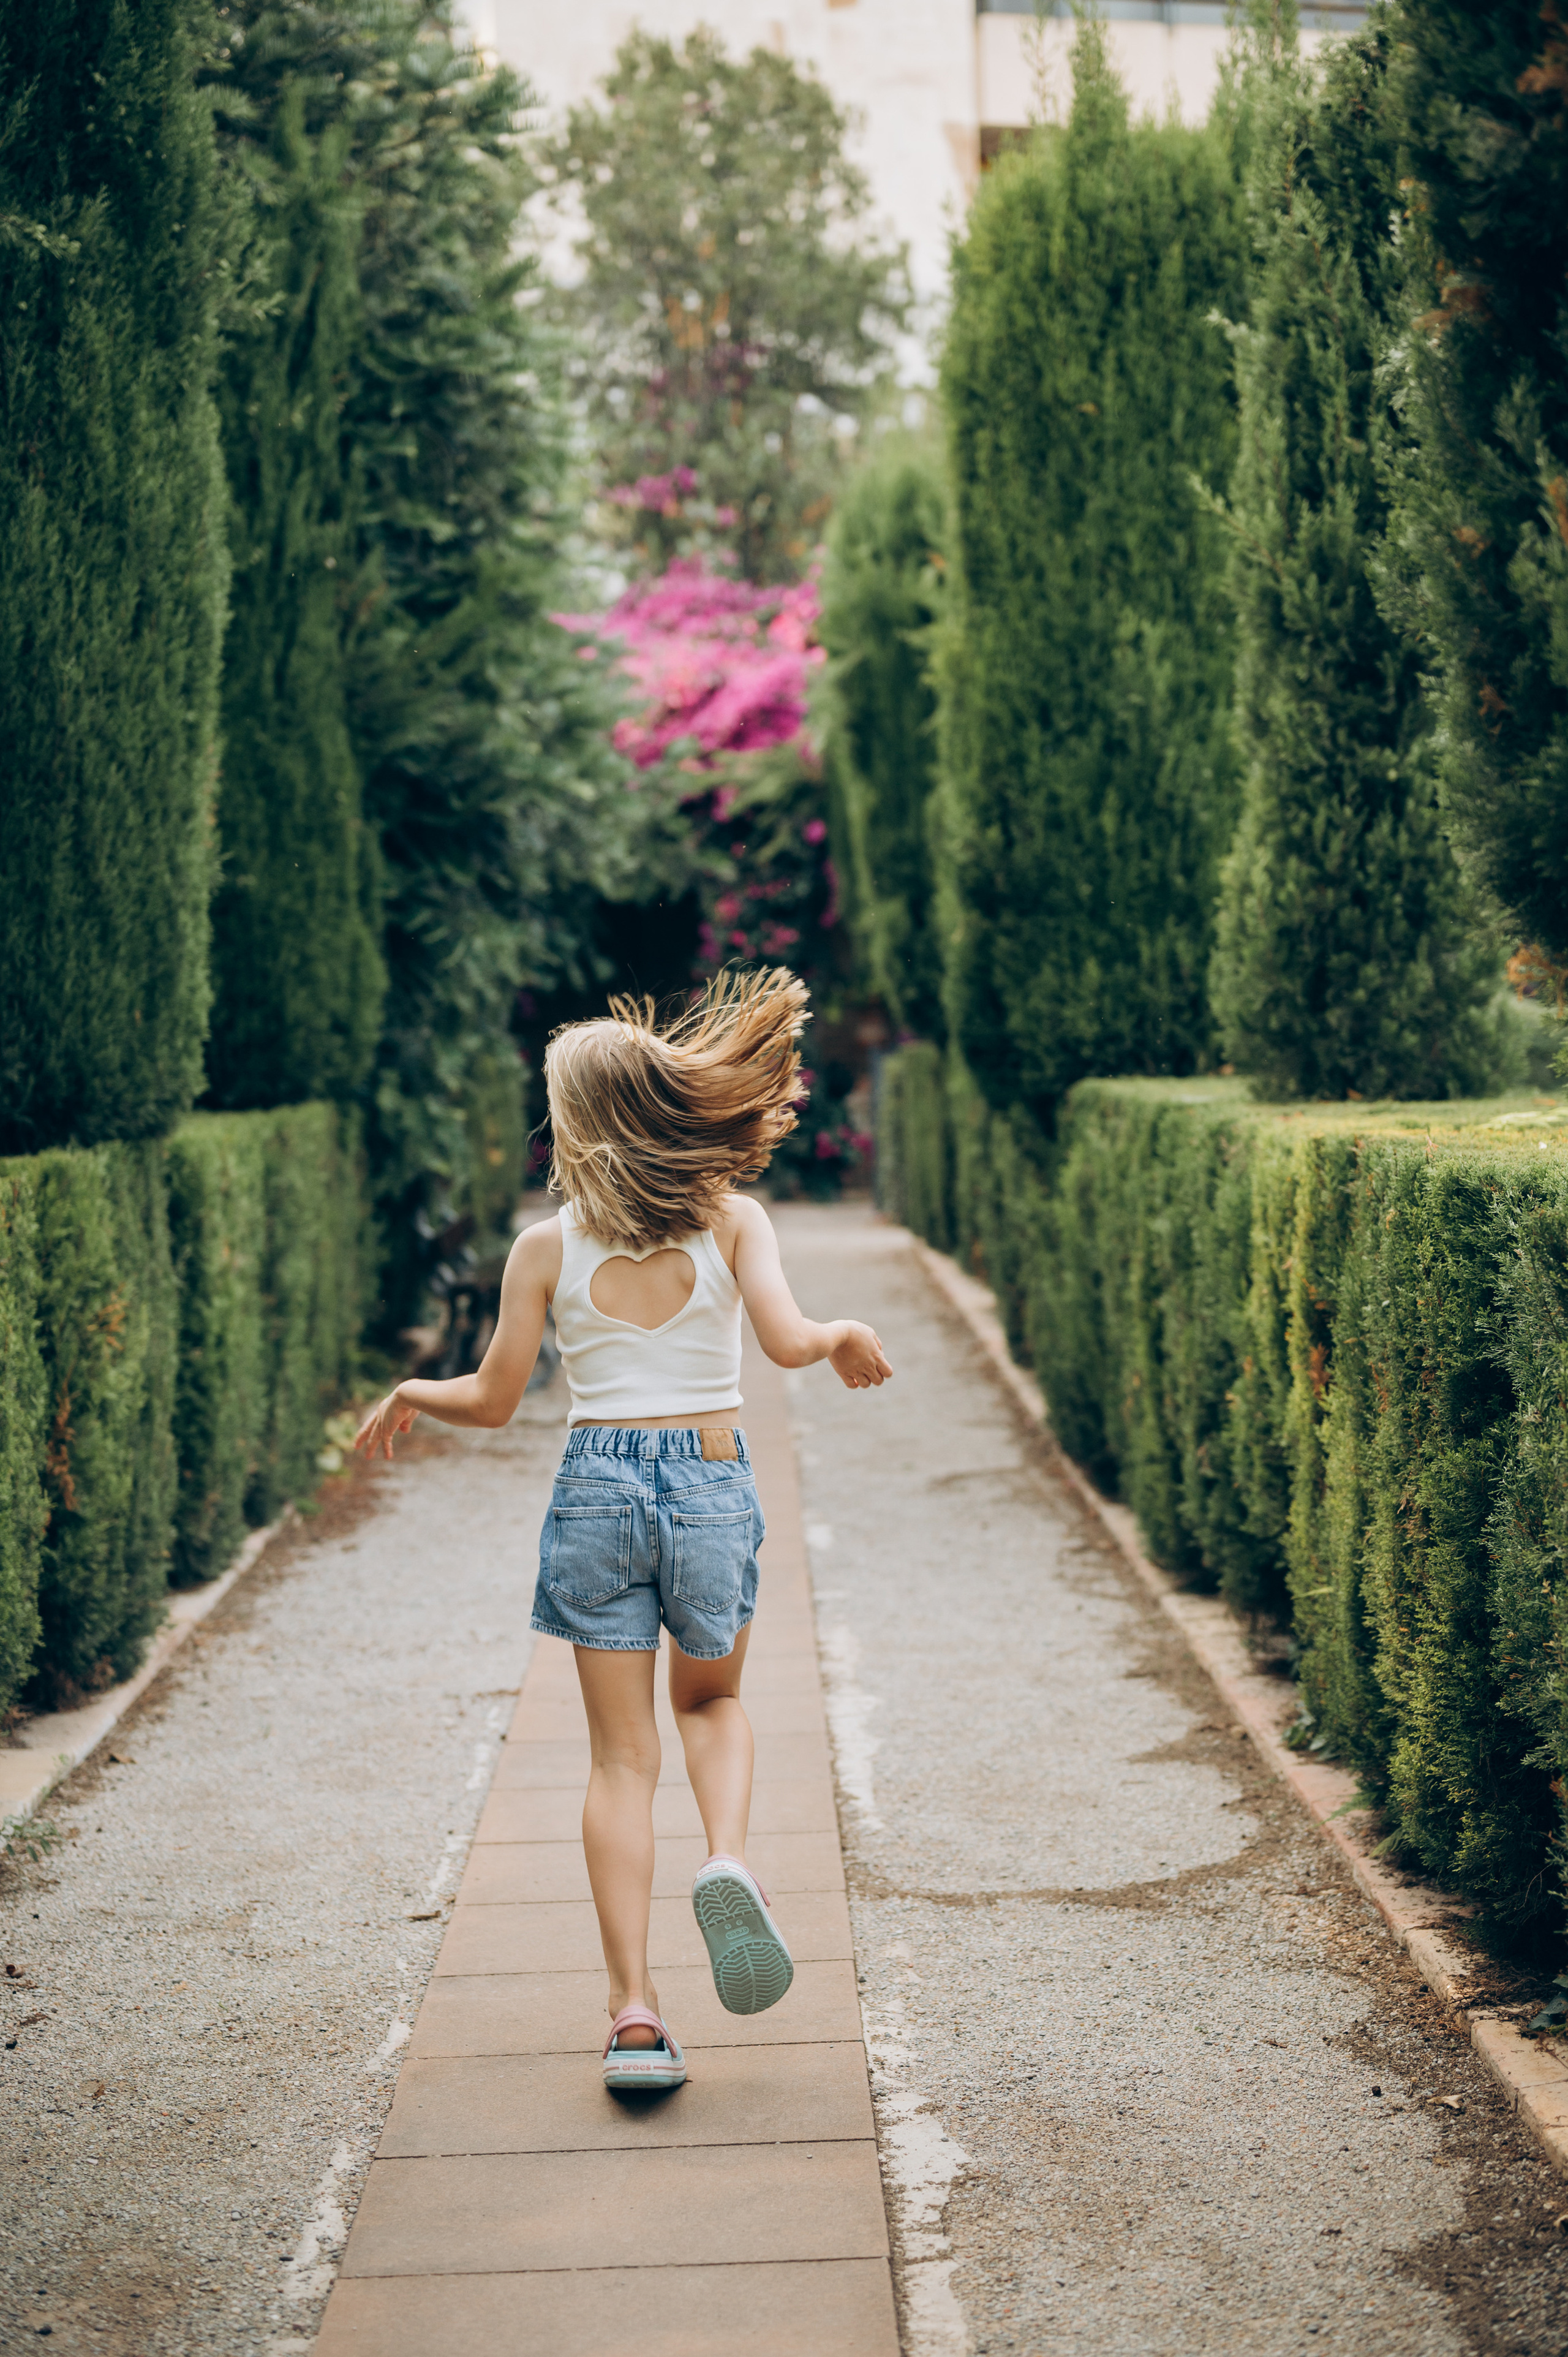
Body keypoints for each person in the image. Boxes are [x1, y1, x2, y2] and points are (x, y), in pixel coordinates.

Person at [353, 968, 892, 2090]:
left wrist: (413, 1390)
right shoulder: (733, 1221)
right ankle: (727, 1859)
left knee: (619, 1759)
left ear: (578, 1128)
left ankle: (634, 2017)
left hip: (596, 1486)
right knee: (714, 1703)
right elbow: (789, 1342)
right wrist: (841, 1331)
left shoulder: (545, 1247)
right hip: (708, 1478)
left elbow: (494, 1400)